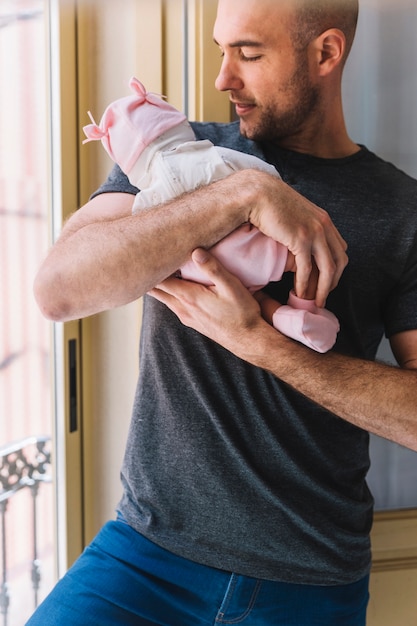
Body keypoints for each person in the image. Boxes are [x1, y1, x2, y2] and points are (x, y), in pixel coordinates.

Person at [28, 0, 417, 624]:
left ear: (325, 53)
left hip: (311, 580)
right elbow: (59, 289)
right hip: (145, 558)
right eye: (220, 50)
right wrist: (245, 191)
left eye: (249, 53)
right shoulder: (176, 154)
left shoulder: (404, 210)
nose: (222, 78)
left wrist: (265, 346)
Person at [82, 75, 340, 353]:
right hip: (256, 248)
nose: (221, 81)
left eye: (250, 54)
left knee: (251, 300)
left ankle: (282, 318)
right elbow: (268, 184)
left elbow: (141, 237)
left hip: (204, 274)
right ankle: (305, 308)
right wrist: (274, 191)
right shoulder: (214, 154)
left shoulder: (146, 194)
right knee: (310, 254)